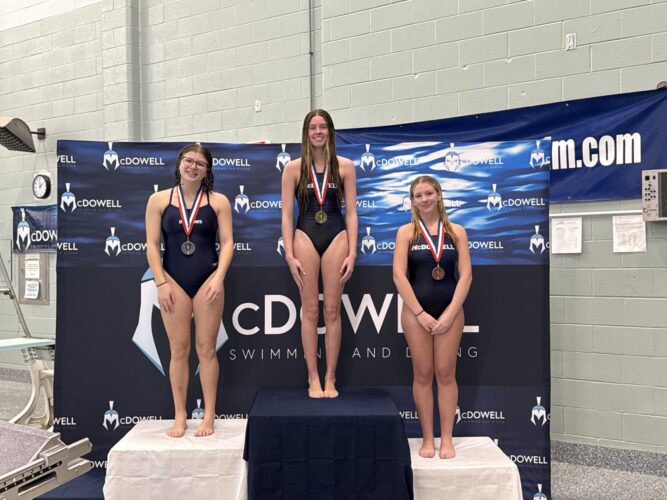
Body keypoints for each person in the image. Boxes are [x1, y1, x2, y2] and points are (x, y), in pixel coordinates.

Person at [145, 144, 233, 437]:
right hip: (173, 282)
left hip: (208, 280)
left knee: (206, 349)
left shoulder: (219, 201)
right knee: (178, 350)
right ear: (179, 163)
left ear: (207, 170)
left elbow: (228, 243)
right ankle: (180, 415)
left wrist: (219, 278)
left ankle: (209, 415)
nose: (193, 167)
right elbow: (152, 245)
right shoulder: (158, 200)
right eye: (189, 161)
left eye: (200, 163)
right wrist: (160, 283)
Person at [393, 175, 472, 458]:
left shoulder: (457, 232)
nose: (424, 199)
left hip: (450, 311)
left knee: (446, 373)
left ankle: (446, 438)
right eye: (418, 195)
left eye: (429, 193)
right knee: (423, 374)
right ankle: (428, 438)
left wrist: (450, 313)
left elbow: (466, 275)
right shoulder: (406, 233)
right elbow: (399, 276)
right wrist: (420, 313)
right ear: (412, 201)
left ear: (438, 195)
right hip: (416, 313)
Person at [281, 109, 358, 398]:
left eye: (322, 126)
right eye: (312, 127)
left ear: (330, 131)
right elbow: (286, 215)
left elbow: (351, 213)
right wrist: (289, 254)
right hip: (305, 236)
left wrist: (353, 251)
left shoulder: (346, 166)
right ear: (306, 133)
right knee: (311, 310)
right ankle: (313, 377)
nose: (318, 132)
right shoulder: (293, 169)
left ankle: (330, 377)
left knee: (332, 310)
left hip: (337, 236)